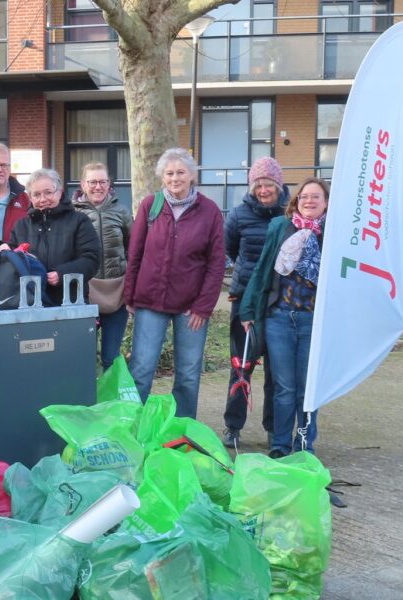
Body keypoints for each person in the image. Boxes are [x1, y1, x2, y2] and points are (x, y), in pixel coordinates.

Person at [123, 148, 226, 417]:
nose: (175, 178)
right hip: (150, 302)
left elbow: (216, 265)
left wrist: (203, 307)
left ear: (192, 175)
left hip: (190, 307)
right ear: (162, 177)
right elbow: (135, 254)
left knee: (188, 374)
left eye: (181, 172)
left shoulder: (210, 211)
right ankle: (133, 428)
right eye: (169, 173)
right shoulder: (150, 205)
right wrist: (129, 296)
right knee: (142, 370)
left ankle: (182, 431)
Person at [240, 177, 330, 459]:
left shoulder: (336, 233)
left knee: (307, 389)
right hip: (279, 319)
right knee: (283, 387)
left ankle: (304, 445)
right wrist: (248, 309)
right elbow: (263, 268)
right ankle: (280, 445)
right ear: (296, 201)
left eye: (316, 197)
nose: (309, 201)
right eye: (304, 197)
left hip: (313, 322)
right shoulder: (281, 227)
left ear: (327, 202)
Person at [221, 156, 289, 450]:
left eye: (269, 184)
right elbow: (230, 251)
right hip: (245, 301)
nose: (263, 190)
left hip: (279, 303)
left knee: (277, 370)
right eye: (258, 185)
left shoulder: (291, 214)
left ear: (279, 185)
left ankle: (274, 428)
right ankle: (233, 426)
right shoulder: (238, 216)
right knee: (241, 365)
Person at [6, 168, 100, 307]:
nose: (43, 199)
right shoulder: (21, 226)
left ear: (60, 193)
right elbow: (12, 264)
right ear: (30, 198)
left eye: (48, 192)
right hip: (31, 305)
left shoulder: (79, 221)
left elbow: (92, 259)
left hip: (71, 303)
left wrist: (63, 274)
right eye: (36, 195)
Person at [72, 162, 132, 369]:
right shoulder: (72, 213)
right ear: (82, 184)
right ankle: (86, 399)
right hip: (84, 295)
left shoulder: (121, 212)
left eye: (103, 182)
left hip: (116, 293)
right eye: (93, 182)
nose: (98, 187)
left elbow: (132, 249)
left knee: (110, 358)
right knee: (83, 357)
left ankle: (110, 400)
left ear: (109, 184)